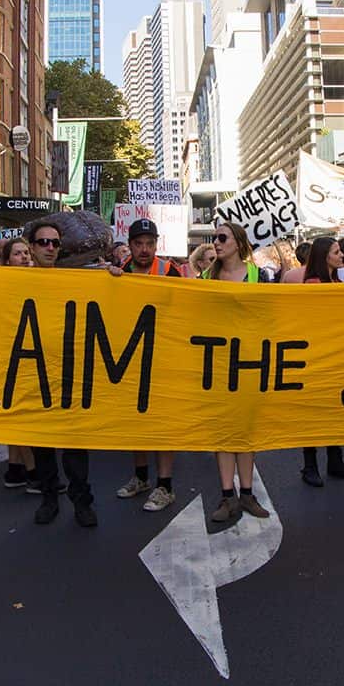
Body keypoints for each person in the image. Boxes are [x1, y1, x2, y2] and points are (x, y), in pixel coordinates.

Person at [199, 223, 273, 523]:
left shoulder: (259, 276)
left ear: (238, 243)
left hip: (250, 362)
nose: (215, 243)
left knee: (247, 430)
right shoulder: (205, 277)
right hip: (217, 362)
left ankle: (247, 494)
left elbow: (271, 314)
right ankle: (227, 496)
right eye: (214, 238)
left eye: (221, 238)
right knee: (223, 431)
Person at [109, 219, 183, 510]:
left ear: (156, 243)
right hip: (131, 359)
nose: (144, 249)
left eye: (149, 243)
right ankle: (141, 478)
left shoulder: (170, 271)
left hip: (164, 358)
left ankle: (165, 486)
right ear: (130, 245)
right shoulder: (120, 272)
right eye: (138, 243)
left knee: (163, 424)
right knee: (136, 422)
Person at [29, 221, 97, 527]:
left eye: (55, 243)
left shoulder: (74, 280)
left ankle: (82, 501)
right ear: (31, 247)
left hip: (68, 374)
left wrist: (114, 281)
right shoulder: (13, 280)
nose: (50, 248)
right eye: (43, 242)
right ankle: (48, 498)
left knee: (74, 445)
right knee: (41, 444)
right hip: (32, 375)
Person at [294, 237, 344, 486]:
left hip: (336, 355)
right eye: (336, 252)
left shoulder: (336, 281)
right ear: (324, 256)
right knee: (313, 414)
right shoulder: (313, 284)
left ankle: (335, 461)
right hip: (317, 357)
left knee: (334, 412)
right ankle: (310, 466)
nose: (341, 255)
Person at [0, 236, 44, 493]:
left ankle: (14, 469)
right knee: (21, 416)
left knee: (15, 414)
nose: (25, 257)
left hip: (30, 356)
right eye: (18, 254)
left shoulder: (36, 280)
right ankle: (32, 471)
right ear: (7, 260)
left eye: (27, 252)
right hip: (11, 357)